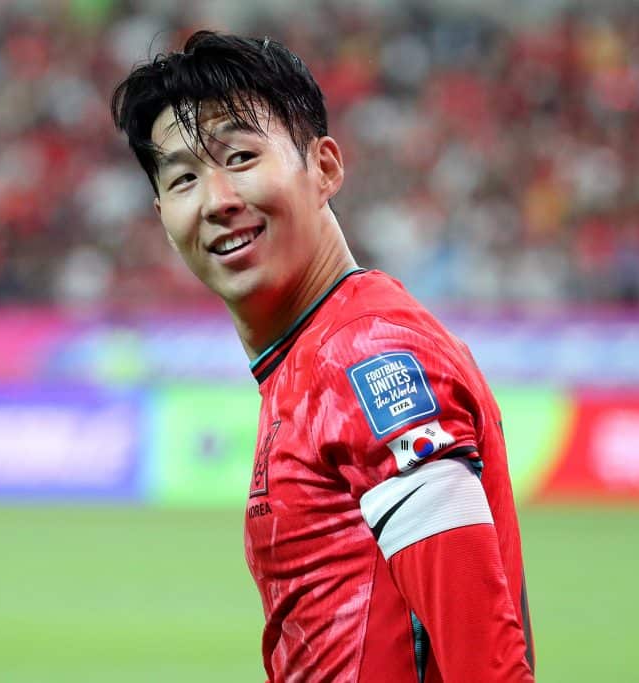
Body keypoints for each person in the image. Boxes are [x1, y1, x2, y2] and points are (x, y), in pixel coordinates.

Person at [112, 31, 534, 682]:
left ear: (326, 168)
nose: (218, 199)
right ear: (163, 211)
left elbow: (485, 665)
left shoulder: (367, 354)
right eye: (185, 177)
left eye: (242, 157)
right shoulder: (313, 357)